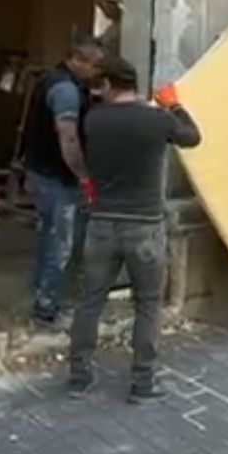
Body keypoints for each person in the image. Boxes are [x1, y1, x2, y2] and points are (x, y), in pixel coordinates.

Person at [68, 57, 201, 401]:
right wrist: (174, 105)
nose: (97, 92)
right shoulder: (157, 120)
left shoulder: (94, 120)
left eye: (100, 85)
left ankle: (79, 376)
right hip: (144, 226)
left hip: (102, 223)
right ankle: (142, 383)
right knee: (148, 304)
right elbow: (192, 137)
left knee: (90, 301)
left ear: (111, 85)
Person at [21, 39, 107, 324]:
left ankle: (46, 297)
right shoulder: (65, 91)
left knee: (52, 237)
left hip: (43, 173)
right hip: (55, 178)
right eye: (94, 65)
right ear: (77, 60)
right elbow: (68, 138)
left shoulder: (55, 81)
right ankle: (46, 307)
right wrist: (83, 176)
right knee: (60, 243)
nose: (97, 72)